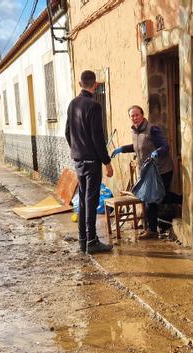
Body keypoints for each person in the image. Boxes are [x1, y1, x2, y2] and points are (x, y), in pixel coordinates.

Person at [65, 70, 114, 254]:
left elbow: (67, 132)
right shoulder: (94, 106)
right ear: (95, 85)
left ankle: (83, 240)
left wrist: (77, 149)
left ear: (80, 84)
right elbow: (98, 137)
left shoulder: (72, 104)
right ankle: (92, 241)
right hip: (92, 161)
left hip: (78, 160)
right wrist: (107, 162)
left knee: (85, 199)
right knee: (91, 200)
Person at [111, 105, 174, 240]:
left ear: (142, 115)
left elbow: (165, 146)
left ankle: (152, 229)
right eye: (132, 116)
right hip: (148, 171)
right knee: (151, 198)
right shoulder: (134, 131)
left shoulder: (152, 129)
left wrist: (157, 152)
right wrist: (122, 149)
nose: (135, 118)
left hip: (161, 169)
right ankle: (151, 229)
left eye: (137, 115)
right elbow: (137, 147)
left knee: (155, 198)